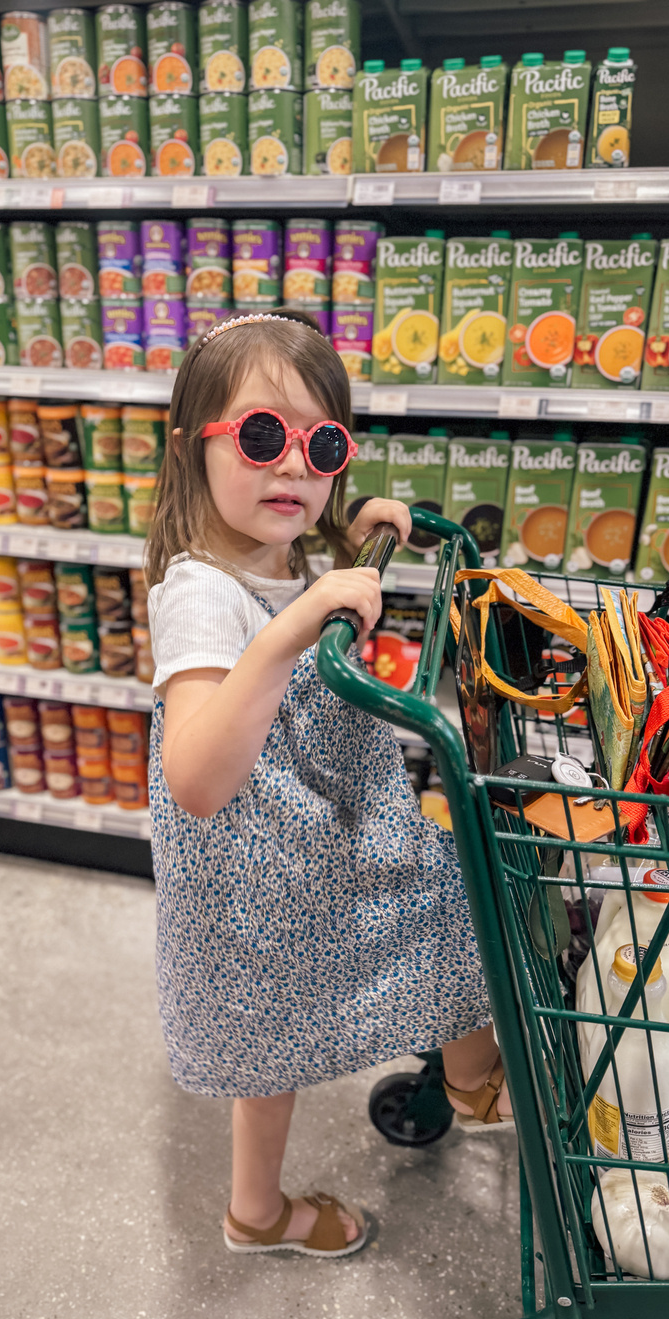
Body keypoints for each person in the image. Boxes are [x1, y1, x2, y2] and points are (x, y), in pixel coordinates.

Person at [145, 309, 512, 1261]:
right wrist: (292, 625)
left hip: (298, 850)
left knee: (272, 1048)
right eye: (263, 436)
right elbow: (194, 777)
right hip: (259, 873)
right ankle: (476, 1083)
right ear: (193, 450)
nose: (294, 467)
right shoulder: (198, 592)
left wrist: (347, 549)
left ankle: (257, 1210)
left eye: (323, 443)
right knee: (451, 901)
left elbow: (290, 589)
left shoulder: (269, 553)